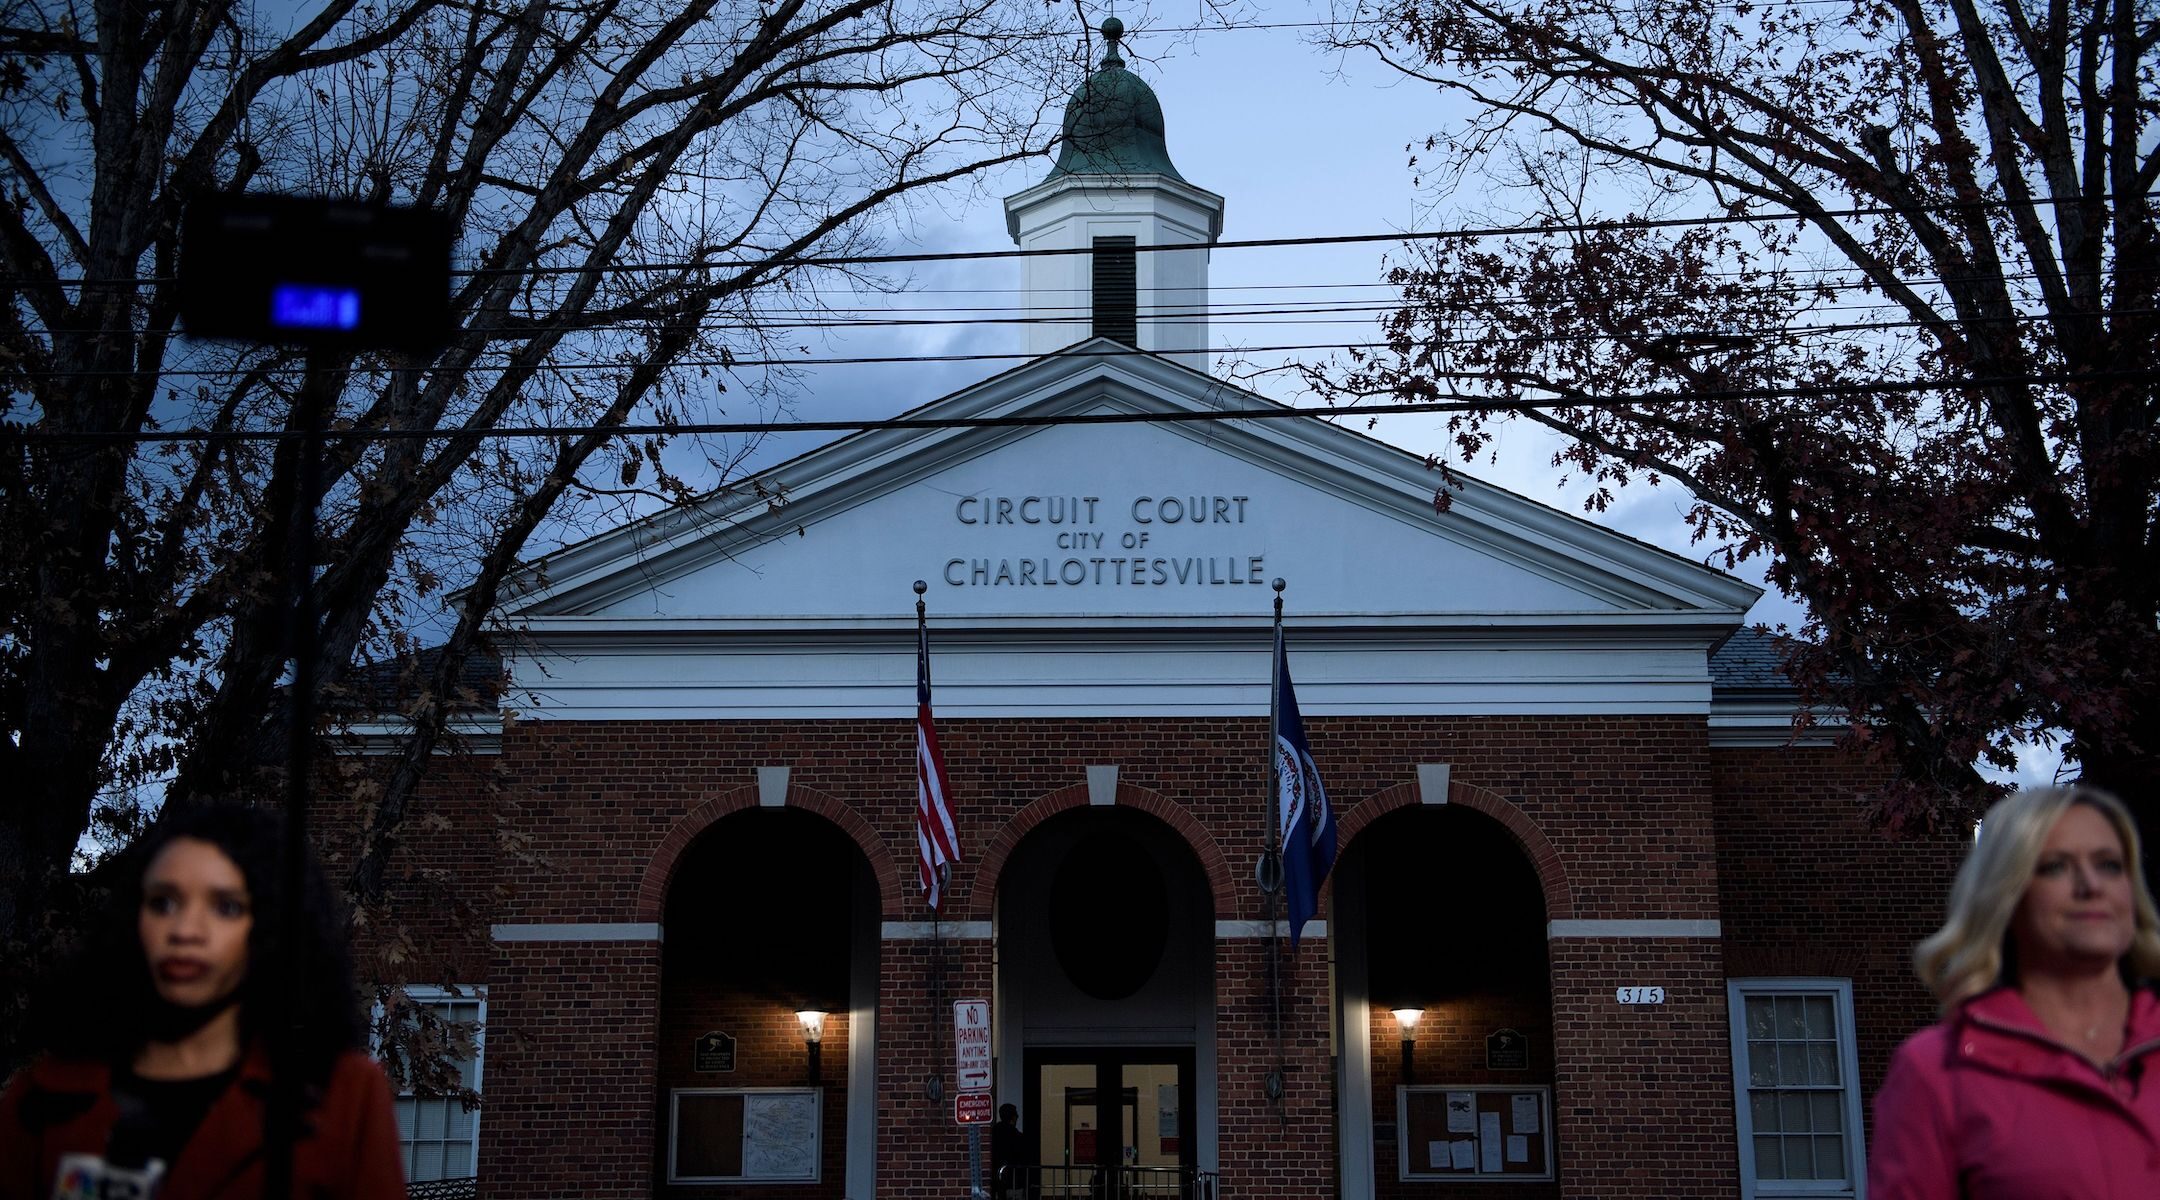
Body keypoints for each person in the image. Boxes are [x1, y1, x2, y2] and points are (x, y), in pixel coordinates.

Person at [1, 803, 407, 1199]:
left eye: (225, 907)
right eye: (164, 902)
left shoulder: (340, 1098)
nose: (185, 930)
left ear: (268, 927)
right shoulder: (47, 1094)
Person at [1868, 785, 2160, 1198]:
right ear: (2006, 895)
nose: (2091, 885)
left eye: (2110, 865)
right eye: (2055, 867)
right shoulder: (1938, 1071)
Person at [990, 1102, 1026, 1199]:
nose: (1017, 1117)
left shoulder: (994, 1132)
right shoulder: (1016, 1136)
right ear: (1013, 1117)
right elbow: (1022, 1155)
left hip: (996, 1181)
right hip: (1013, 1181)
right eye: (1016, 1115)